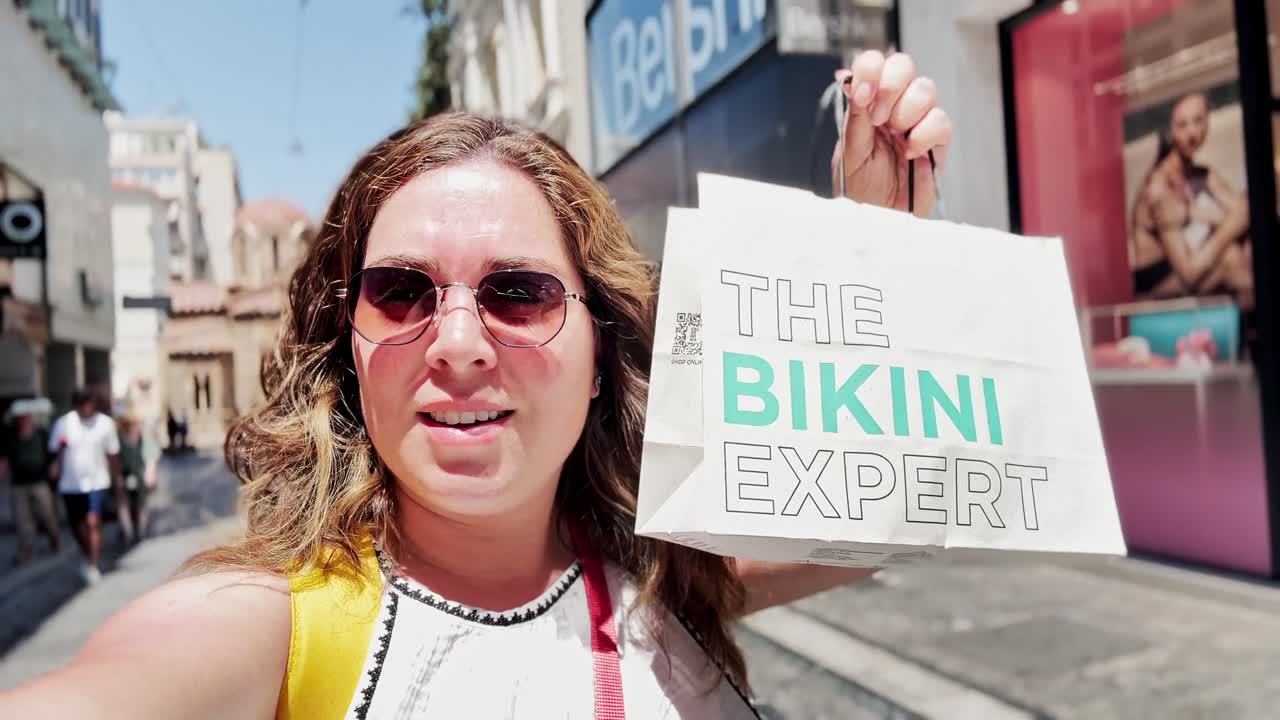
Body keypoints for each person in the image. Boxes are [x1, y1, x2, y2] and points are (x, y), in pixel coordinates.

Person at [1, 51, 950, 717]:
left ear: (598, 352)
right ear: (349, 348)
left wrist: (872, 245)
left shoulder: (670, 576)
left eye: (520, 293)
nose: (456, 344)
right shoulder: (268, 624)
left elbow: (891, 510)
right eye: (401, 290)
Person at [1130, 92, 1252, 308]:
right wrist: (1227, 228)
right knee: (1230, 257)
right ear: (1171, 131)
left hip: (1181, 267)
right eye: (1182, 125)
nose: (1193, 132)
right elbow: (1189, 273)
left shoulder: (1199, 174)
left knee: (1248, 247)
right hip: (1155, 281)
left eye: (1198, 121)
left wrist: (1221, 221)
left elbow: (1247, 210)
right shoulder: (1162, 187)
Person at [48, 389, 120, 584]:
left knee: (93, 522)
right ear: (76, 407)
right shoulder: (63, 424)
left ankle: (93, 564)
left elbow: (113, 454)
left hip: (97, 481)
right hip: (70, 484)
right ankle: (89, 554)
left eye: (89, 405)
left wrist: (117, 480)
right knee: (77, 525)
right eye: (82, 407)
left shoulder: (105, 424)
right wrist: (55, 465)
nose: (86, 410)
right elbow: (56, 450)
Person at [0, 405, 62, 565]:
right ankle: (25, 550)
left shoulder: (41, 434)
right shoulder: (11, 437)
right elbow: (4, 460)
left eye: (27, 418)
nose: (24, 421)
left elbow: (53, 453)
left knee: (47, 514)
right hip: (19, 484)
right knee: (22, 519)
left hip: (40, 482)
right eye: (21, 418)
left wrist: (54, 466)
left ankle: (54, 539)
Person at [115, 411, 159, 544]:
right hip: (123, 476)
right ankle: (128, 531)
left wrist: (150, 473)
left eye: (132, 424)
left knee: (142, 504)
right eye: (127, 424)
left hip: (140, 475)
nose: (130, 426)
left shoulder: (143, 438)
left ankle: (141, 530)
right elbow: (113, 458)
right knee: (122, 503)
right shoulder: (118, 440)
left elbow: (151, 456)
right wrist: (117, 477)